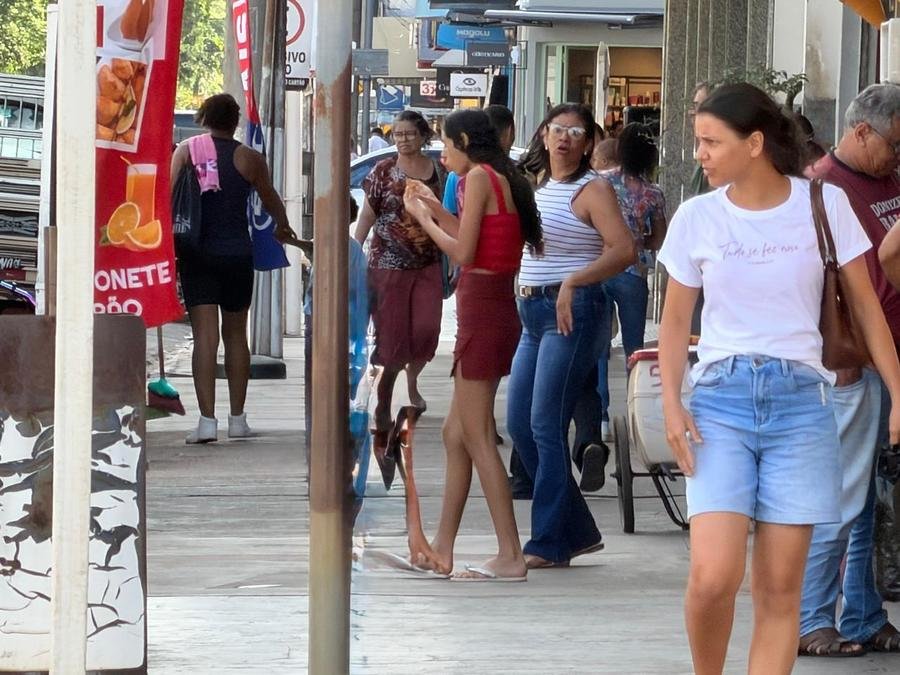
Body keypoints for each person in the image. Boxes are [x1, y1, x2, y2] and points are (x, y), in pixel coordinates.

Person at [657, 82, 900, 675]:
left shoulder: (823, 203)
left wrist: (898, 394)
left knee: (778, 589)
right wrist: (671, 406)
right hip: (721, 402)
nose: (701, 154)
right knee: (714, 576)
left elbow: (867, 308)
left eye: (712, 141)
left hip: (804, 405)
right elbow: (676, 321)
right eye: (699, 141)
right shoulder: (697, 216)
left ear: (755, 143)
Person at [403, 108, 543, 580]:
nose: (443, 154)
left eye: (446, 144)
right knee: (455, 434)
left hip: (483, 310)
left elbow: (462, 252)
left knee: (478, 435)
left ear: (464, 142)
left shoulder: (478, 178)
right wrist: (433, 207)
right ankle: (443, 547)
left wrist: (423, 218)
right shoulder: (496, 177)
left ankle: (510, 553)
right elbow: (472, 235)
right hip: (491, 309)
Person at [506, 103, 635, 569]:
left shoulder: (592, 189)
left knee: (545, 422)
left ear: (588, 143)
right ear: (543, 135)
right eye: (558, 129)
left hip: (573, 311)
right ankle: (575, 529)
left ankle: (549, 541)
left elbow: (624, 250)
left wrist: (574, 281)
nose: (564, 138)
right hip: (532, 312)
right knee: (520, 424)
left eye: (576, 132)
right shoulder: (536, 186)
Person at [798, 82, 900, 656]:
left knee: (867, 500)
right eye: (894, 144)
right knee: (841, 496)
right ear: (861, 131)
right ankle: (813, 616)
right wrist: (833, 357)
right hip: (853, 363)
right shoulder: (824, 188)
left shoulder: (884, 180)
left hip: (884, 356)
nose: (897, 157)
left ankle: (862, 614)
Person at [171, 93, 298, 444]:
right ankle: (238, 419)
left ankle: (206, 422)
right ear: (235, 120)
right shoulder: (249, 158)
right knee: (236, 336)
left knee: (205, 338)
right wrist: (283, 226)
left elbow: (167, 196)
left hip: (197, 254)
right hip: (237, 255)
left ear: (203, 118)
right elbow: (270, 197)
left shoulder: (186, 151)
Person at [354, 110, 447, 462]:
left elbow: (448, 216)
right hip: (387, 264)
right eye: (398, 134)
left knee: (426, 330)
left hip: (428, 262)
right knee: (392, 340)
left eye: (409, 133)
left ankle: (411, 379)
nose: (403, 139)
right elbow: (368, 214)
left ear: (423, 135)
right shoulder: (383, 171)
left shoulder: (439, 171)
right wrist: (354, 251)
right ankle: (383, 404)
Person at [593, 123, 667, 458]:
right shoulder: (653, 193)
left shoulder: (601, 182)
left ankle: (601, 417)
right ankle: (638, 416)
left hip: (599, 268)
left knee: (599, 347)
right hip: (633, 273)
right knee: (634, 348)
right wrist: (637, 242)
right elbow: (659, 238)